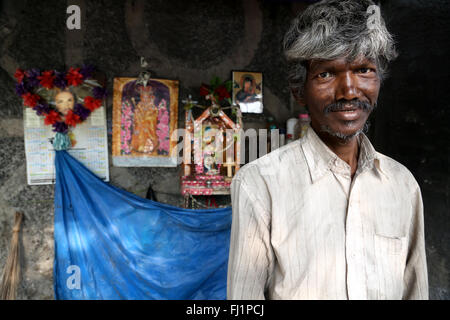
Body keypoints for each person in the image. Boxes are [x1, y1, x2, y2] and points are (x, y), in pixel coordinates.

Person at [227, 0, 428, 300]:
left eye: (363, 69)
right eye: (326, 74)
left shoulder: (403, 185)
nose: (348, 91)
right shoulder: (260, 185)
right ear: (299, 89)